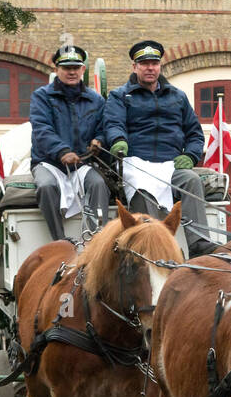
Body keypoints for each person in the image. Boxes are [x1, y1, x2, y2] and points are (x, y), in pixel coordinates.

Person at [103, 39, 216, 257]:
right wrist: (118, 140)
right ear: (134, 67)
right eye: (144, 63)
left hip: (171, 163)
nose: (150, 67)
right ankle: (151, 248)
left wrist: (191, 156)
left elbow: (194, 133)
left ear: (160, 66)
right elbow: (113, 123)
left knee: (191, 180)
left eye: (154, 63)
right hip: (136, 162)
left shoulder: (178, 96)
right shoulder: (119, 96)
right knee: (142, 191)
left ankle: (199, 243)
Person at [29, 45, 109, 240]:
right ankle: (59, 240)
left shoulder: (96, 100)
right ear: (57, 70)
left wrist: (99, 140)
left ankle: (96, 239)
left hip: (82, 163)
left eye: (76, 67)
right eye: (66, 68)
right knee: (46, 187)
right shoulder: (41, 96)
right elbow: (42, 129)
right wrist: (62, 151)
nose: (71, 72)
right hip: (49, 162)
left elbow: (104, 127)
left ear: (83, 69)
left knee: (99, 184)